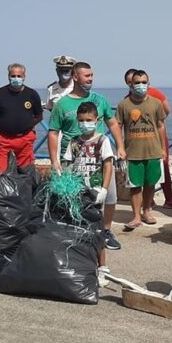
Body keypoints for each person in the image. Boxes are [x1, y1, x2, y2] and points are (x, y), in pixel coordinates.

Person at [48, 62, 126, 249]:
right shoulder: (62, 104)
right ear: (75, 77)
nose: (90, 79)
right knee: (76, 196)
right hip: (73, 158)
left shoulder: (100, 100)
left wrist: (120, 146)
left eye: (92, 75)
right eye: (87, 76)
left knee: (109, 197)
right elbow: (53, 132)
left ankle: (105, 231)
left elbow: (113, 123)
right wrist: (55, 161)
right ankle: (78, 229)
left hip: (100, 157)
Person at [62, 101, 115, 285]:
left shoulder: (102, 140)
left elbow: (108, 165)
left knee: (97, 230)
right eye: (81, 120)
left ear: (97, 120)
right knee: (77, 227)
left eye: (89, 120)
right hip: (76, 192)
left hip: (95, 192)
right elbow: (67, 164)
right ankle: (81, 262)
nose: (85, 123)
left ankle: (102, 267)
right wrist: (65, 185)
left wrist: (105, 189)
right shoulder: (74, 141)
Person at [115, 70, 167, 229]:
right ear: (131, 84)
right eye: (137, 82)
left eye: (144, 82)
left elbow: (160, 126)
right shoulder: (123, 105)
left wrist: (164, 148)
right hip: (133, 153)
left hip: (153, 151)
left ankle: (147, 211)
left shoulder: (156, 103)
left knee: (150, 184)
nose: (141, 85)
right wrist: (120, 147)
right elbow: (118, 126)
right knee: (135, 186)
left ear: (148, 83)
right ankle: (136, 216)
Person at [123, 68, 172, 210]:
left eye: (139, 81)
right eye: (131, 82)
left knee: (163, 167)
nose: (136, 85)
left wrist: (155, 123)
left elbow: (166, 110)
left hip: (156, 138)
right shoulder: (126, 100)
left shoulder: (155, 94)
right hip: (137, 144)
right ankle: (149, 201)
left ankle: (169, 198)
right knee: (140, 173)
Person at [0, 63, 43, 173]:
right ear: (8, 76)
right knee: (2, 171)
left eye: (19, 76)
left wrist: (26, 126)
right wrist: (3, 127)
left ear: (24, 77)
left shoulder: (32, 94)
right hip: (5, 141)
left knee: (26, 172)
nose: (16, 78)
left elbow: (39, 116)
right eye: (13, 76)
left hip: (25, 140)